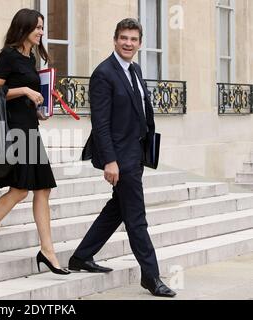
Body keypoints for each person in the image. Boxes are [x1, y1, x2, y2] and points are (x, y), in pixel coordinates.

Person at [68, 18, 176, 297]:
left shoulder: (135, 69)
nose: (128, 43)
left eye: (134, 39)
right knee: (136, 218)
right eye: (123, 38)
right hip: (120, 157)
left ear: (140, 43)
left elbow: (141, 111)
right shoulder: (104, 73)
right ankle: (151, 277)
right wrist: (110, 160)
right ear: (114, 40)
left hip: (136, 152)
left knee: (117, 208)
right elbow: (100, 123)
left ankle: (81, 256)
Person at [0, 8, 70, 275]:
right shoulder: (8, 56)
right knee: (19, 190)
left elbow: (25, 97)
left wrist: (37, 109)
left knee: (42, 189)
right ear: (23, 28)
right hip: (14, 133)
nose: (41, 31)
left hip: (30, 129)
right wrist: (25, 89)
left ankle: (47, 251)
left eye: (42, 27)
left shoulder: (30, 59)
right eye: (37, 27)